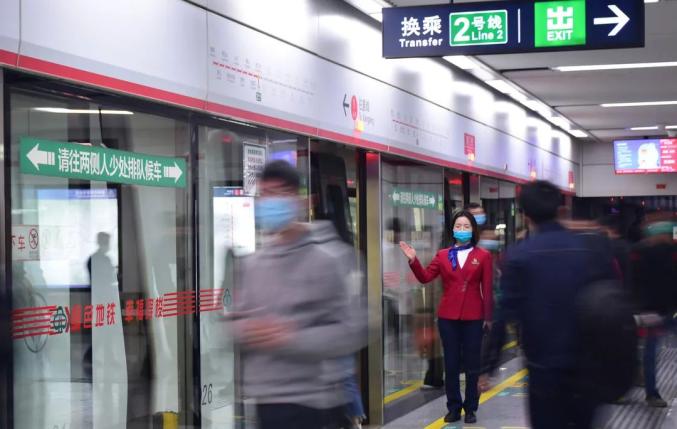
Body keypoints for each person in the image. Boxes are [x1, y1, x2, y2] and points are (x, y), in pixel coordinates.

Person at [231, 160, 366, 429]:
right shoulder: (252, 264)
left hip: (314, 404)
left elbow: (353, 328)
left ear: (298, 200)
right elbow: (235, 321)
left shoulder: (329, 259)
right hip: (266, 401)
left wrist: (291, 337)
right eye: (265, 194)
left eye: (278, 193)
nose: (269, 202)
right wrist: (245, 329)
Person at [492, 181, 616, 429]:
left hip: (544, 372)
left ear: (525, 216)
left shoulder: (518, 256)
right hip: (587, 369)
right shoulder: (590, 250)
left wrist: (488, 365)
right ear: (560, 210)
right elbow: (609, 302)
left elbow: (503, 314)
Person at [399, 210, 493, 424]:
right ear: (452, 229)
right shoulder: (443, 255)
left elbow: (487, 290)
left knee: (472, 365)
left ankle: (471, 407)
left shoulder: (483, 256)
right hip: (448, 317)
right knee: (451, 364)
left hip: (473, 317)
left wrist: (488, 318)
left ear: (473, 230)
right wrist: (413, 260)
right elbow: (425, 278)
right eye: (458, 226)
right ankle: (454, 407)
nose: (462, 230)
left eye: (466, 226)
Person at [630, 214, 677, 408]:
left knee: (650, 352)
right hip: (657, 310)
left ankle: (651, 394)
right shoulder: (661, 252)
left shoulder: (640, 252)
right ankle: (651, 393)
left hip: (656, 309)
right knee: (650, 352)